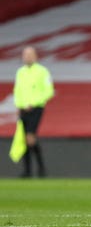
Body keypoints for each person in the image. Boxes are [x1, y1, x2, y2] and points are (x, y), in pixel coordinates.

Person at [13, 46, 54, 178]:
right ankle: (28, 171)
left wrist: (34, 102)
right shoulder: (20, 72)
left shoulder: (42, 72)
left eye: (30, 54)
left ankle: (41, 169)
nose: (27, 57)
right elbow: (17, 91)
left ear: (36, 56)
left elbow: (49, 91)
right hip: (23, 109)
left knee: (30, 138)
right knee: (25, 139)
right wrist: (19, 106)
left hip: (36, 108)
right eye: (25, 55)